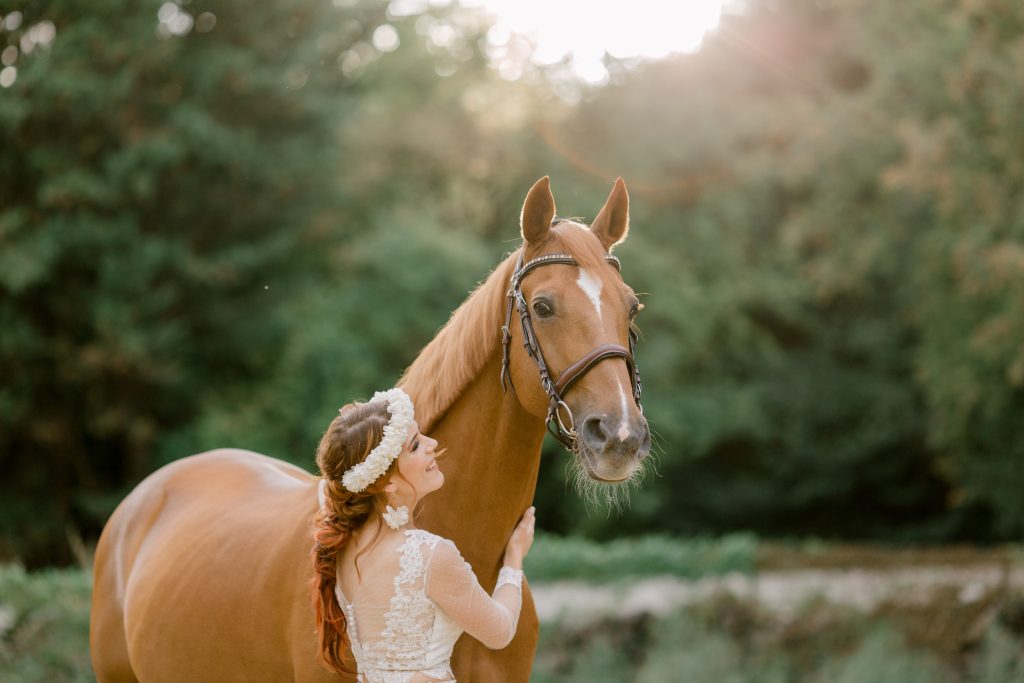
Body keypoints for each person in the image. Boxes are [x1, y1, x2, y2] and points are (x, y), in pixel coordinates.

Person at [310, 388, 536, 683]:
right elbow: (500, 632)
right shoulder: (429, 556)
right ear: (387, 483)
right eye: (415, 446)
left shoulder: (342, 545)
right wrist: (514, 560)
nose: (432, 444)